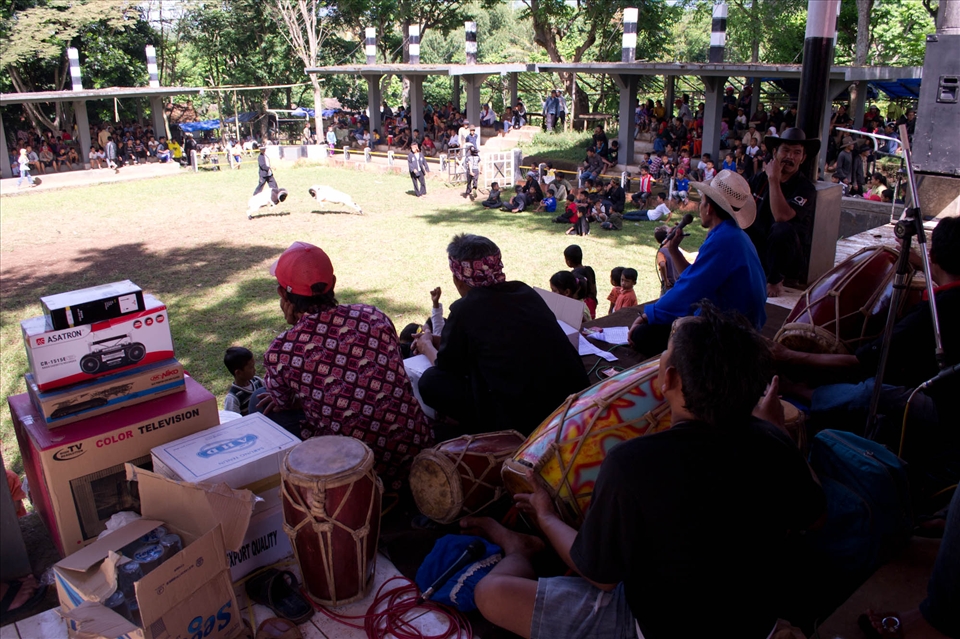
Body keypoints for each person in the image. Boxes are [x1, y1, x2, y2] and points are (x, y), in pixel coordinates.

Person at [462, 302, 824, 639]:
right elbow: (816, 516)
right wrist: (779, 435)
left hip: (651, 626)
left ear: (667, 381)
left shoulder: (632, 462)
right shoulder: (771, 442)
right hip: (752, 623)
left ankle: (520, 551)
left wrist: (545, 515)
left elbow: (600, 577)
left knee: (491, 594)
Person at [773, 216, 959, 499]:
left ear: (933, 256)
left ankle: (801, 391)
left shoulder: (928, 317)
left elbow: (861, 361)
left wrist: (788, 355)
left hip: (942, 410)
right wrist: (921, 262)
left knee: (871, 390)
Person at [253, 242, 432, 490]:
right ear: (333, 283)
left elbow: (283, 402)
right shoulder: (375, 316)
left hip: (353, 466)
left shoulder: (281, 350)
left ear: (282, 295)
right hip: (414, 447)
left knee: (257, 401)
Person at [413, 235, 589, 436]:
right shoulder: (524, 291)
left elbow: (446, 366)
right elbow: (502, 339)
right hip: (573, 403)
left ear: (457, 279)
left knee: (431, 381)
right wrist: (440, 340)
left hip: (526, 420)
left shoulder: (466, 309)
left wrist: (426, 345)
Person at [629, 170, 767, 358]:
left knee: (642, 335)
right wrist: (674, 250)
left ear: (709, 208)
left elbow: (689, 291)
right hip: (742, 324)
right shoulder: (734, 236)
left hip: (730, 333)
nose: (700, 208)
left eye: (701, 202)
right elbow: (696, 278)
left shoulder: (723, 241)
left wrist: (648, 315)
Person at [745, 127, 820, 297]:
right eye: (785, 150)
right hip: (760, 250)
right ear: (774, 152)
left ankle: (775, 280)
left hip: (787, 261)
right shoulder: (759, 179)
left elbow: (782, 216)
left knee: (782, 229)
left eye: (796, 152)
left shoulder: (805, 188)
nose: (790, 157)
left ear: (803, 158)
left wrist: (774, 180)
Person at [223, 346, 265, 416]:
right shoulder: (233, 398)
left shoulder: (258, 381)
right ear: (238, 373)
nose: (254, 370)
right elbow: (234, 420)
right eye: (251, 367)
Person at [564, 245, 598, 319]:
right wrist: (594, 300)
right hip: (592, 302)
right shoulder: (589, 270)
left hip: (580, 305)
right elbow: (594, 288)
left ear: (568, 261)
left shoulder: (573, 275)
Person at [654, 225, 680, 295]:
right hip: (678, 282)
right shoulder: (675, 249)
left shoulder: (661, 251)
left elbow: (662, 264)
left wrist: (666, 280)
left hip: (669, 285)